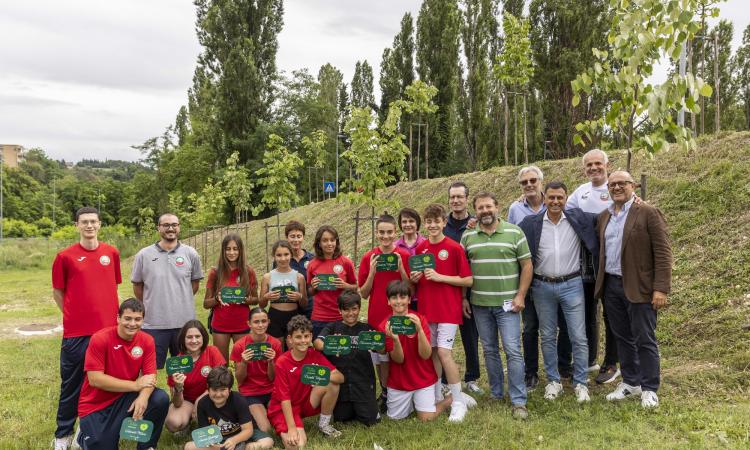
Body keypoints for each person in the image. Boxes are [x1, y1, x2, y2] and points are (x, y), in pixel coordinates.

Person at [595, 171, 672, 408]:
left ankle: (649, 387)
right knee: (622, 338)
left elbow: (663, 252)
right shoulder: (604, 216)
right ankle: (631, 382)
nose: (617, 187)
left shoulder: (648, 212)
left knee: (644, 338)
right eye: (612, 184)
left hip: (640, 287)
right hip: (611, 285)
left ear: (632, 186)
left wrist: (661, 289)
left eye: (621, 183)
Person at [519, 182, 599, 403]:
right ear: (544, 198)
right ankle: (553, 381)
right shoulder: (530, 223)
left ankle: (581, 382)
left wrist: (635, 203)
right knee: (547, 336)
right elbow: (510, 235)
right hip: (542, 286)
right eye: (551, 197)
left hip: (572, 284)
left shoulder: (579, 218)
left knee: (578, 336)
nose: (555, 202)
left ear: (566, 199)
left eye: (560, 198)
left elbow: (607, 214)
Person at [52, 207, 122, 450]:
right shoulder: (65, 256)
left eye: (93, 221)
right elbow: (58, 292)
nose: (89, 226)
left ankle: (86, 428)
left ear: (100, 224)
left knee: (99, 385)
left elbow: (112, 287)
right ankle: (63, 434)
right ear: (77, 225)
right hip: (76, 335)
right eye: (84, 222)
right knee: (71, 385)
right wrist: (73, 316)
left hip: (107, 333)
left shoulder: (111, 253)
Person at [461, 192, 531, 420]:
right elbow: (462, 270)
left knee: (512, 350)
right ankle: (497, 393)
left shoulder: (514, 232)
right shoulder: (468, 236)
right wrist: (463, 298)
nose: (485, 211)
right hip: (480, 304)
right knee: (490, 350)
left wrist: (521, 295)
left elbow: (527, 266)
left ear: (497, 207)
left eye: (488, 206)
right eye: (480, 208)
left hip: (508, 305)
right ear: (476, 211)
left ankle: (519, 400)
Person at [507, 166, 572, 390]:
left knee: (563, 324)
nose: (529, 185)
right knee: (530, 326)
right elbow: (510, 239)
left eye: (533, 180)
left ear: (541, 182)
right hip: (530, 279)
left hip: (556, 276)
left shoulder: (556, 202)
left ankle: (564, 367)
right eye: (524, 182)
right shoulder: (515, 209)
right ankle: (531, 371)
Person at [76, 298, 169, 449]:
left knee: (160, 399)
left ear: (143, 320)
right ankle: (83, 434)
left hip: (125, 396)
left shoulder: (147, 341)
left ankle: (148, 446)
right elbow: (95, 380)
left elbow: (150, 376)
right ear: (118, 318)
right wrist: (135, 385)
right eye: (127, 318)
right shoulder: (100, 339)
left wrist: (143, 398)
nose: (132, 324)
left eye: (137, 319)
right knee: (102, 444)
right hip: (96, 404)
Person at [410, 204, 474, 422]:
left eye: (437, 221)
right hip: (428, 310)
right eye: (428, 221)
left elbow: (467, 279)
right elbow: (417, 283)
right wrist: (415, 279)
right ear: (424, 224)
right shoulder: (421, 249)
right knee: (433, 353)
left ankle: (458, 401)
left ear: (444, 222)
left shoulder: (454, 248)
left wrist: (440, 277)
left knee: (445, 353)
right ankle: (437, 395)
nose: (433, 225)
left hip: (448, 310)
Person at [567, 148, 621, 384]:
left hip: (611, 263)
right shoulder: (580, 192)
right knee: (588, 312)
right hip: (586, 263)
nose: (594, 168)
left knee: (612, 314)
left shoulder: (616, 187)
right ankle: (590, 360)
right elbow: (560, 211)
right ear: (584, 168)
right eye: (589, 165)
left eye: (598, 163)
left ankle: (612, 362)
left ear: (607, 164)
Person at [132, 213, 203, 369]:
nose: (170, 228)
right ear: (159, 228)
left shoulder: (191, 254)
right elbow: (138, 286)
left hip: (184, 325)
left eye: (174, 225)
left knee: (184, 371)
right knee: (150, 370)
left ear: (179, 227)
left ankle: (179, 394)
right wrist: (152, 303)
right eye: (166, 225)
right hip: (153, 325)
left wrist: (180, 299)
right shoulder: (143, 255)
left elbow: (195, 283)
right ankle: (151, 395)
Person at [378, 280, 457, 421]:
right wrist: (395, 339)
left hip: (423, 379)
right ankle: (414, 403)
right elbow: (398, 360)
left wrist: (419, 330)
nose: (398, 301)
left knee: (426, 418)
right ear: (388, 301)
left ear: (409, 299)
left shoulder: (420, 319)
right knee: (395, 420)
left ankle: (451, 399)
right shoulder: (385, 325)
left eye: (402, 297)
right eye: (394, 298)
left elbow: (426, 355)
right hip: (399, 382)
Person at [357, 214, 410, 412]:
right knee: (379, 357)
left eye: (389, 232)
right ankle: (386, 392)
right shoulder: (368, 257)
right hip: (376, 315)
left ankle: (400, 390)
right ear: (377, 233)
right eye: (382, 233)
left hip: (399, 315)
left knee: (400, 354)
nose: (385, 236)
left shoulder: (403, 255)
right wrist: (372, 271)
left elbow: (410, 289)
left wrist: (401, 268)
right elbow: (363, 293)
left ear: (395, 232)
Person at [266, 315, 344, 448]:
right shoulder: (282, 362)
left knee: (332, 383)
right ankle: (290, 427)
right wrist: (291, 429)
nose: (303, 340)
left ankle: (324, 424)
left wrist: (323, 375)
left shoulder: (314, 355)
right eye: (298, 337)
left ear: (311, 337)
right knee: (297, 445)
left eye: (306, 336)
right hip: (283, 408)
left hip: (305, 404)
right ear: (289, 339)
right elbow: (284, 398)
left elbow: (340, 377)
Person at [313, 291, 379, 426]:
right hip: (342, 386)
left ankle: (369, 406)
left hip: (362, 382)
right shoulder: (332, 327)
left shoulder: (366, 329)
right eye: (346, 309)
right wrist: (330, 347)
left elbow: (381, 349)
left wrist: (376, 343)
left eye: (354, 309)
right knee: (342, 418)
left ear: (359, 308)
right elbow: (317, 343)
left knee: (370, 420)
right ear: (339, 310)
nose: (350, 313)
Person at [443, 181, 482, 395]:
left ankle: (472, 377)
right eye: (452, 197)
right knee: (443, 338)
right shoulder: (442, 226)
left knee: (470, 335)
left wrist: (465, 295)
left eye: (460, 197)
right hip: (446, 290)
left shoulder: (476, 224)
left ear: (467, 199)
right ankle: (443, 380)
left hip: (471, 288)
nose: (456, 201)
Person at [184, 366, 274, 450]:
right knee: (188, 447)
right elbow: (205, 434)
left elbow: (248, 430)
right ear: (208, 388)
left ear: (230, 389)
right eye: (214, 390)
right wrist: (212, 444)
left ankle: (243, 447)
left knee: (268, 441)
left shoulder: (239, 400)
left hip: (242, 434)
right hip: (217, 438)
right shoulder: (203, 404)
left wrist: (234, 440)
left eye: (223, 390)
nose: (218, 394)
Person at [203, 234, 260, 361]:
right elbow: (206, 303)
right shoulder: (215, 272)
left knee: (243, 362)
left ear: (240, 250)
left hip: (242, 324)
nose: (232, 252)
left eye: (235, 249)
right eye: (228, 249)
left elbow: (256, 299)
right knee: (221, 365)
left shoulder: (248, 271)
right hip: (220, 325)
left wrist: (243, 299)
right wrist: (217, 299)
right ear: (223, 251)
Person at [165, 320, 226, 434]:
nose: (194, 340)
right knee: (173, 422)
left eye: (197, 336)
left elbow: (221, 383)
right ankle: (187, 422)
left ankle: (201, 418)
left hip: (212, 397)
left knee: (219, 426)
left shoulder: (212, 351)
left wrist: (200, 400)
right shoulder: (175, 363)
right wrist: (178, 388)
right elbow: (177, 403)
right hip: (187, 401)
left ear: (203, 338)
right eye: (189, 337)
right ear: (183, 339)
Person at [230, 307, 282, 433]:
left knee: (280, 421)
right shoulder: (239, 346)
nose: (260, 325)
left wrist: (271, 362)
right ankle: (247, 414)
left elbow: (273, 378)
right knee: (266, 429)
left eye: (264, 321)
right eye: (256, 322)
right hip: (250, 393)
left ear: (269, 322)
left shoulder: (275, 344)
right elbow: (240, 379)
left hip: (271, 391)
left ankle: (261, 412)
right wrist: (244, 362)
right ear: (249, 323)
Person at [306, 226, 357, 338]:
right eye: (325, 240)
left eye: (332, 240)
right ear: (319, 243)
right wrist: (314, 288)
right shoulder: (312, 264)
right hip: (320, 318)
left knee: (343, 352)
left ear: (336, 242)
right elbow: (310, 292)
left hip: (343, 316)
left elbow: (356, 287)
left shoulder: (345, 262)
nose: (329, 243)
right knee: (321, 352)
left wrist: (345, 285)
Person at [261, 240, 308, 346]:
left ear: (291, 254)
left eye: (286, 254)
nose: (283, 258)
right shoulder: (267, 277)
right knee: (277, 352)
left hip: (293, 317)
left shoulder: (299, 277)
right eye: (279, 255)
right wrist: (266, 297)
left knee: (293, 352)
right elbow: (261, 304)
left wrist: (299, 297)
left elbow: (304, 304)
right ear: (274, 256)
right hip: (274, 317)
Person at [394, 207, 426, 311]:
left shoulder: (426, 244)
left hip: (423, 296)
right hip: (401, 298)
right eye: (404, 222)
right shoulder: (394, 247)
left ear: (417, 223)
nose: (408, 224)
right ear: (400, 224)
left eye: (411, 221)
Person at [282, 221, 315, 319]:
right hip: (288, 307)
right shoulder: (280, 260)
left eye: (299, 236)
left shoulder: (312, 259)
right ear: (287, 237)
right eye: (292, 236)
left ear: (303, 237)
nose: (296, 240)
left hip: (310, 308)